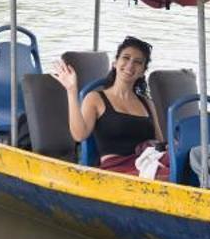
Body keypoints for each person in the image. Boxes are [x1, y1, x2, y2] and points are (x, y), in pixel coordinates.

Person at [51, 36, 166, 178]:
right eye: (126, 58)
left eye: (137, 62)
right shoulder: (95, 98)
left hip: (148, 161)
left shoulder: (147, 103)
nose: (130, 65)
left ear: (142, 71)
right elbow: (79, 135)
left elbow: (160, 143)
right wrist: (71, 90)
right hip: (117, 169)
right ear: (115, 63)